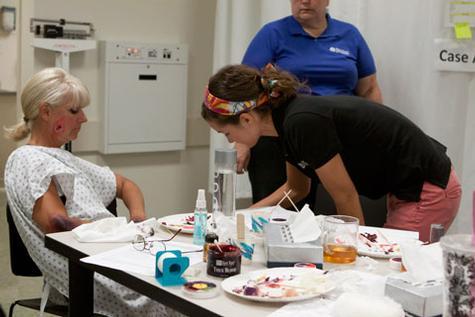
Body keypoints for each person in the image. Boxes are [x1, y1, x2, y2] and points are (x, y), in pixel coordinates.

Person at [201, 64, 461, 242]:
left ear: (246, 120)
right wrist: (241, 217)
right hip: (406, 188)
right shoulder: (284, 124)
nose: (232, 141)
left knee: (394, 277)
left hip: (427, 189)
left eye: (227, 134)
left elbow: (345, 197)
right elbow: (296, 189)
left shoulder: (301, 122)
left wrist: (354, 255)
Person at [4, 68, 180, 316]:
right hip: (92, 271)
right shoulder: (28, 159)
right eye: (74, 111)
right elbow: (58, 224)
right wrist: (121, 233)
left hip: (111, 255)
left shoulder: (61, 158)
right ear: (46, 112)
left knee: (186, 277)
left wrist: (138, 219)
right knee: (182, 294)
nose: (84, 118)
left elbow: (125, 185)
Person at [238, 0, 383, 211]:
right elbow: (247, 88)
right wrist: (242, 142)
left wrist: (374, 136)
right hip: (282, 137)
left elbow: (369, 88)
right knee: (281, 215)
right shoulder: (273, 33)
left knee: (336, 210)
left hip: (338, 137)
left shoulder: (349, 35)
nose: (304, 1)